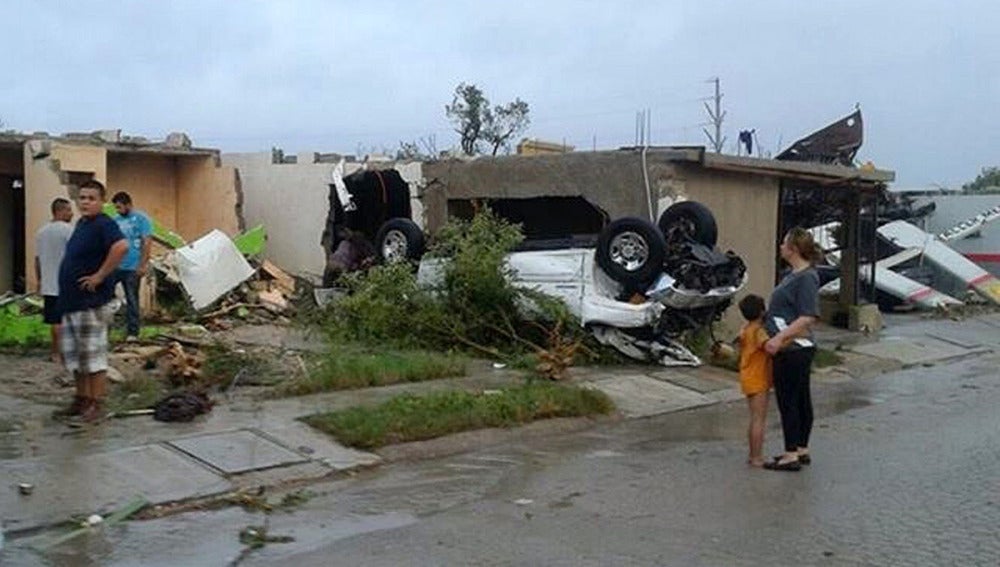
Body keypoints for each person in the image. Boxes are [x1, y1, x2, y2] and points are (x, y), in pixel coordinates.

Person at [55, 180, 127, 423]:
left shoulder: (104, 224)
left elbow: (121, 246)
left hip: (91, 303)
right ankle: (81, 399)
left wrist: (99, 275)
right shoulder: (82, 224)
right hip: (72, 302)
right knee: (77, 358)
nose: (85, 202)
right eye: (82, 197)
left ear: (102, 201)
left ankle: (96, 404)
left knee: (93, 358)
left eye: (91, 198)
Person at [763, 227, 822, 472]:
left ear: (794, 248)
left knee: (790, 400)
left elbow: (808, 316)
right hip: (792, 346)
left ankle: (791, 453)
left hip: (794, 347)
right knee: (799, 398)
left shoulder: (806, 277)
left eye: (784, 243)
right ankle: (800, 448)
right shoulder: (793, 275)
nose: (780, 247)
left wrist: (779, 339)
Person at [34, 198, 74, 363]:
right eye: (69, 210)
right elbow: (74, 257)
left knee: (54, 321)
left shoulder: (41, 232)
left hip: (49, 283)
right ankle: (65, 353)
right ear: (61, 211)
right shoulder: (69, 231)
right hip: (66, 283)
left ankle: (54, 353)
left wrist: (40, 280)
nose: (72, 214)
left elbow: (37, 260)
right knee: (67, 320)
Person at [110, 191, 152, 342]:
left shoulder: (141, 219)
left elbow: (146, 242)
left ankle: (132, 333)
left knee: (132, 299)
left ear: (128, 204)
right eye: (116, 208)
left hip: (133, 266)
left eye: (120, 207)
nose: (118, 210)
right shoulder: (115, 220)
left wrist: (142, 265)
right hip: (116, 266)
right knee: (105, 294)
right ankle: (107, 328)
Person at [737, 294, 772, 468]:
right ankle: (756, 456)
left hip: (747, 376)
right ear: (761, 311)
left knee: (754, 417)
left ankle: (753, 454)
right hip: (759, 378)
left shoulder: (745, 329)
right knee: (759, 419)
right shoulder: (759, 331)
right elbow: (769, 347)